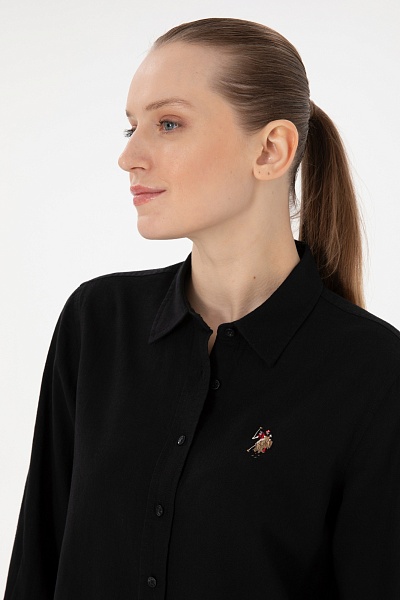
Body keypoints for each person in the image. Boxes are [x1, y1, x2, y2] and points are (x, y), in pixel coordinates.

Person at [4, 17, 400, 600]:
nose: (129, 156)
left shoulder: (374, 371)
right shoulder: (97, 322)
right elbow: (36, 564)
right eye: (131, 127)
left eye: (168, 123)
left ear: (270, 149)